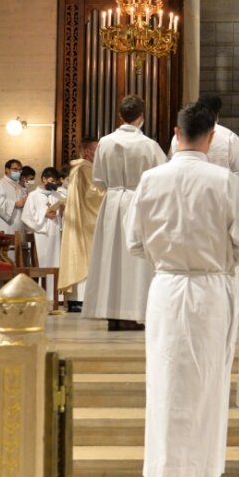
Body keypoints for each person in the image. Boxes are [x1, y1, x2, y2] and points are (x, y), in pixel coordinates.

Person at [127, 102, 239, 477]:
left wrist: (168, 254)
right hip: (208, 289)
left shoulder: (151, 180)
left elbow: (135, 241)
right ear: (212, 136)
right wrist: (223, 255)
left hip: (167, 288)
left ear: (175, 131)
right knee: (207, 385)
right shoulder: (222, 181)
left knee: (164, 384)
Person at [83, 95, 167, 331]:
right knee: (133, 260)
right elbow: (162, 178)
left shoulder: (105, 143)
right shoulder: (149, 145)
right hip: (138, 201)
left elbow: (98, 179)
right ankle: (130, 313)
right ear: (142, 116)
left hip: (112, 202)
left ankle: (111, 313)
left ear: (120, 115)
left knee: (110, 257)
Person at [59, 139, 104, 313]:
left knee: (83, 256)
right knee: (86, 257)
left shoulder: (79, 169)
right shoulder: (85, 168)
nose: (99, 153)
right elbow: (94, 195)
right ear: (87, 152)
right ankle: (80, 299)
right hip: (86, 222)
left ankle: (78, 299)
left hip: (82, 219)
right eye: (96, 149)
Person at [168, 94, 239, 185]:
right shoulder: (230, 138)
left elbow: (170, 164)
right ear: (218, 112)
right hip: (220, 194)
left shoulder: (179, 136)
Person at [22, 167, 64, 302]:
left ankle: (56, 294)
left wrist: (60, 211)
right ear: (44, 179)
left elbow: (60, 215)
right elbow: (26, 216)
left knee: (56, 261)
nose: (54, 183)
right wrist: (44, 214)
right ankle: (43, 293)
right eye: (52, 180)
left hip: (55, 232)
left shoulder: (57, 195)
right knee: (43, 262)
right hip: (41, 233)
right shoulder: (33, 195)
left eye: (56, 181)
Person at [0, 159, 27, 259]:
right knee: (4, 257)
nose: (17, 172)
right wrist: (14, 204)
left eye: (19, 170)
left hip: (17, 228)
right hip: (3, 226)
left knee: (16, 258)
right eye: (14, 169)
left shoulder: (19, 187)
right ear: (7, 170)